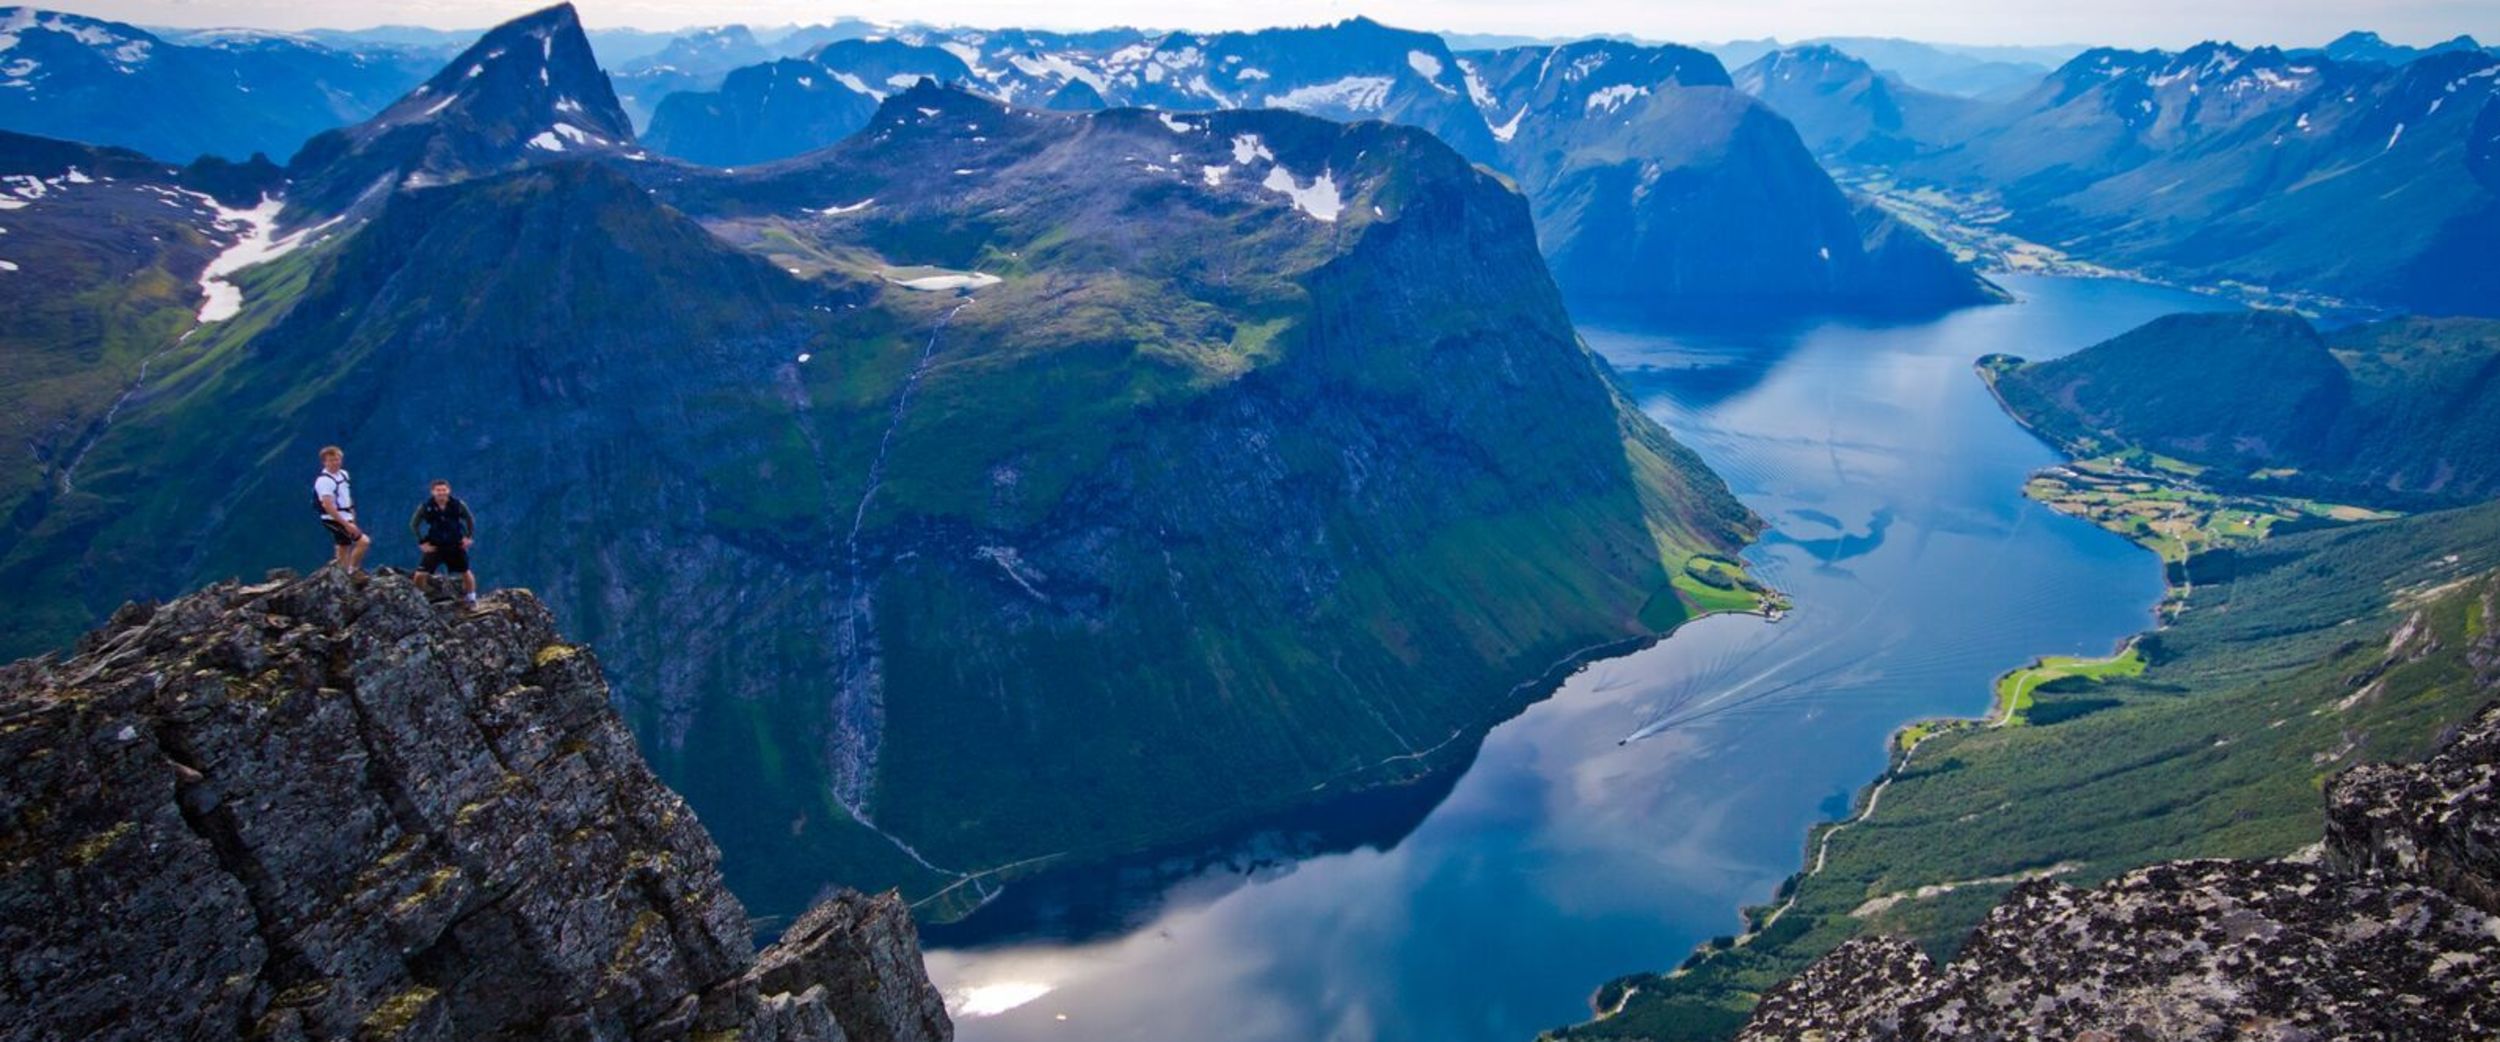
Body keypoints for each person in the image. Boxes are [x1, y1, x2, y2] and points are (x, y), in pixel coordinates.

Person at [409, 478, 479, 604]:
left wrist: (468, 537)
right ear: (432, 492)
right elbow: (414, 524)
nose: (441, 493)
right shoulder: (426, 507)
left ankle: (471, 598)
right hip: (435, 545)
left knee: (466, 572)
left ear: (449, 490)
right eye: (438, 490)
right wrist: (421, 542)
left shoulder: (458, 505)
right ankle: (419, 599)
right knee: (420, 574)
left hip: (455, 544)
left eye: (444, 490)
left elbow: (470, 520)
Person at [314, 446, 368, 573]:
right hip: (333, 518)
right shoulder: (324, 481)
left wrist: (352, 515)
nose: (335, 463)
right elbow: (327, 505)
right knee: (363, 542)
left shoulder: (343, 474)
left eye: (337, 459)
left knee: (343, 546)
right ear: (324, 462)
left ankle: (341, 573)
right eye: (331, 460)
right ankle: (351, 570)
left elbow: (346, 495)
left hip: (346, 515)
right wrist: (346, 524)